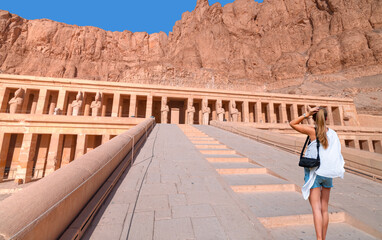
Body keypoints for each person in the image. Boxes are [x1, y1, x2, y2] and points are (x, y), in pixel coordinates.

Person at [289, 106, 345, 240]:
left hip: (314, 173)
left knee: (316, 209)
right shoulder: (333, 133)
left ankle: (319, 238)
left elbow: (292, 123)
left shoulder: (312, 131)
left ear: (314, 118)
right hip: (327, 174)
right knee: (324, 209)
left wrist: (306, 114)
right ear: (326, 118)